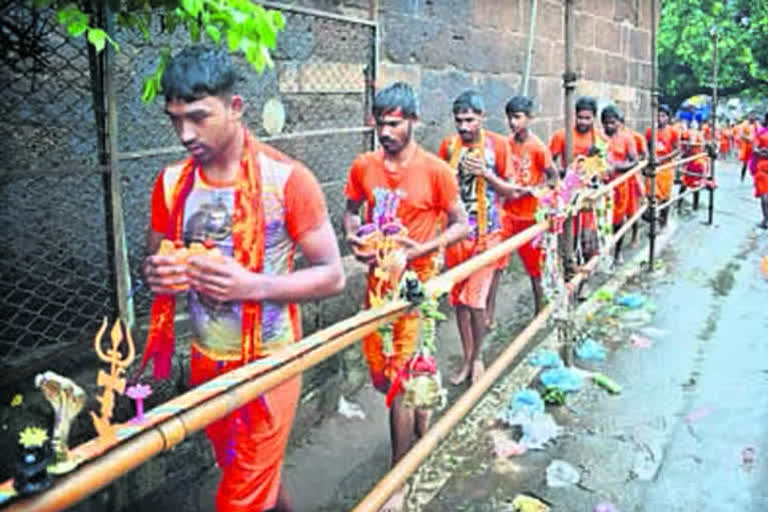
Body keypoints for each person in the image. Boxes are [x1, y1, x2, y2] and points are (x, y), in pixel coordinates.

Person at [138, 46, 345, 512]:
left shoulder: (288, 179)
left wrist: (251, 285)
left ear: (235, 108)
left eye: (197, 117)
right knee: (247, 475)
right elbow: (152, 258)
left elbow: (332, 275)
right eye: (174, 120)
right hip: (207, 359)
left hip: (269, 365)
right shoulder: (171, 183)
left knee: (239, 500)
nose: (184, 134)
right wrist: (159, 273)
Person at [342, 82, 469, 511]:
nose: (386, 131)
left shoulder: (436, 170)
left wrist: (424, 248)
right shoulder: (364, 166)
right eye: (380, 123)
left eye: (394, 123)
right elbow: (350, 210)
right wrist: (353, 237)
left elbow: (461, 225)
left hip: (418, 288)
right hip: (378, 288)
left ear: (412, 121)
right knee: (385, 374)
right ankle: (421, 424)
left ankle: (399, 477)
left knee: (398, 380)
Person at [437, 91, 511, 385]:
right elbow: (443, 187)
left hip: (488, 234)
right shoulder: (448, 146)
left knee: (476, 302)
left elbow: (511, 189)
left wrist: (487, 174)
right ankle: (467, 357)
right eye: (459, 121)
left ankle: (477, 356)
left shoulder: (499, 146)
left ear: (482, 117)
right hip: (457, 236)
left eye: (470, 120)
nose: (465, 126)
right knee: (459, 302)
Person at [505, 96, 557, 312]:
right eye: (509, 117)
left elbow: (553, 178)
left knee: (534, 269)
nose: (512, 122)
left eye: (517, 117)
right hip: (507, 213)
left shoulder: (538, 148)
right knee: (495, 263)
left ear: (529, 118)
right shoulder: (505, 145)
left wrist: (537, 192)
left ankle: (539, 310)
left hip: (529, 216)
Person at [549, 96, 603, 261]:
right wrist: (560, 174)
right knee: (568, 238)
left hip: (589, 195)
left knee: (588, 241)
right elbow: (549, 161)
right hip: (568, 195)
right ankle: (569, 272)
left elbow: (604, 164)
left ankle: (582, 276)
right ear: (575, 116)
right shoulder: (562, 135)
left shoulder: (598, 138)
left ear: (594, 117)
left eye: (588, 118)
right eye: (580, 117)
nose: (583, 122)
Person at [601, 105, 637, 264]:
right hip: (602, 186)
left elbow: (634, 160)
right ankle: (602, 252)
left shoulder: (627, 138)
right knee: (602, 220)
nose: (609, 126)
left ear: (618, 123)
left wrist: (617, 166)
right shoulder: (598, 137)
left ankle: (617, 252)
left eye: (612, 123)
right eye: (606, 123)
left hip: (620, 186)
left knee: (618, 220)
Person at [646, 104, 679, 229]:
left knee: (665, 196)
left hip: (666, 167)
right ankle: (653, 218)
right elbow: (647, 147)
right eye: (658, 115)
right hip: (654, 166)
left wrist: (663, 159)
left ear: (668, 118)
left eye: (663, 116)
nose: (660, 118)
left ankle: (663, 222)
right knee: (651, 194)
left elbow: (677, 149)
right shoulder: (650, 131)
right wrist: (650, 158)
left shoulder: (673, 132)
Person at [620, 113, 647, 246]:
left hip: (632, 179)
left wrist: (631, 164)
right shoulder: (606, 137)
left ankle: (635, 235)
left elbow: (644, 156)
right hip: (617, 180)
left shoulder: (635, 137)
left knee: (633, 209)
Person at [752, 112, 768, 229]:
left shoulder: (761, 133)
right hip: (763, 166)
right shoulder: (760, 133)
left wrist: (762, 152)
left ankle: (765, 220)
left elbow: (755, 150)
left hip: (762, 165)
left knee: (764, 195)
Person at [739, 111, 758, 182]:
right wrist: (748, 138)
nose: (753, 117)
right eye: (751, 116)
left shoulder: (756, 125)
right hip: (746, 147)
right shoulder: (744, 125)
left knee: (756, 163)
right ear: (749, 116)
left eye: (754, 116)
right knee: (745, 164)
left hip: (754, 147)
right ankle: (742, 178)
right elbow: (741, 135)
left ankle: (755, 179)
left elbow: (758, 134)